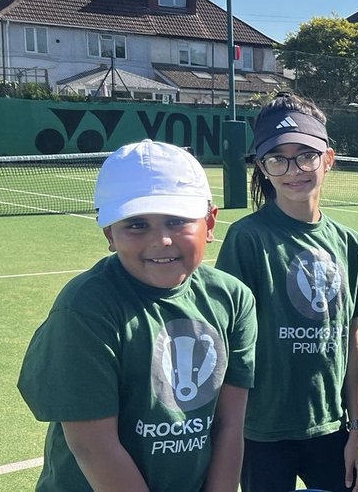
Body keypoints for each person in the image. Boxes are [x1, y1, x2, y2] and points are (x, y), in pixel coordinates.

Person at [18, 140, 257, 491]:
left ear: (209, 222)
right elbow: (93, 445)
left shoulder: (233, 300)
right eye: (136, 225)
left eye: (177, 221)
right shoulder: (84, 309)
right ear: (109, 234)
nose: (161, 240)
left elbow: (230, 423)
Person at [214, 93, 358, 492]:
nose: (294, 170)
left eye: (305, 155)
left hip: (331, 428)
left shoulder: (352, 245)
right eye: (278, 159)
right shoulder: (247, 240)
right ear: (263, 167)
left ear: (328, 158)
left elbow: (351, 340)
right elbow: (229, 346)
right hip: (261, 435)